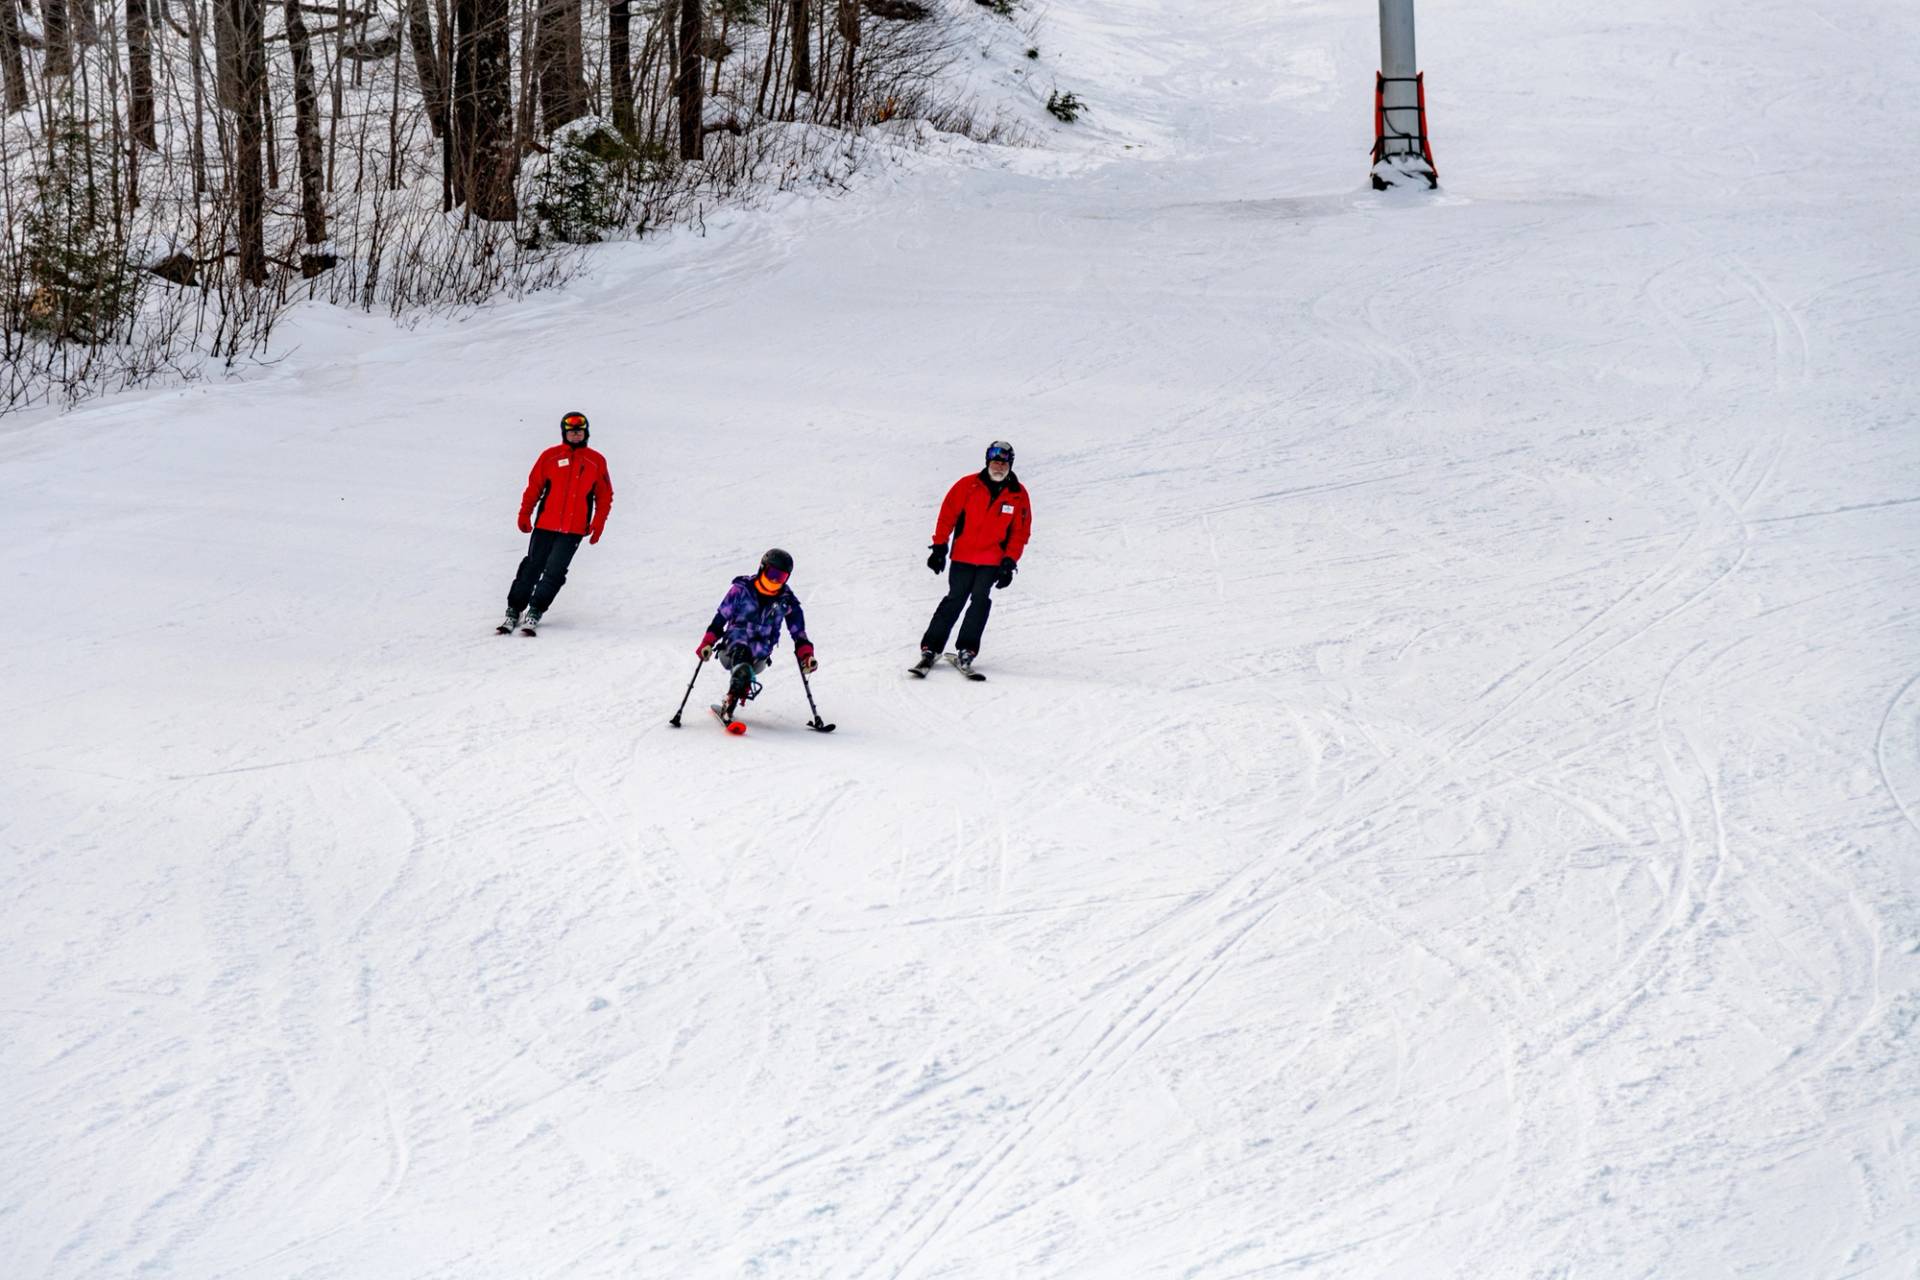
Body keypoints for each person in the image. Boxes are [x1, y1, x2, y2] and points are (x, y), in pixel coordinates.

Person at [914, 440, 1032, 675]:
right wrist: (939, 547)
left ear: (1010, 465)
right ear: (988, 461)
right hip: (963, 557)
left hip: (991, 561)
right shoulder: (968, 485)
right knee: (955, 599)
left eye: (1003, 463)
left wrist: (1009, 562)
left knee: (980, 601)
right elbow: (947, 515)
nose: (999, 466)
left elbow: (1020, 532)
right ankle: (931, 648)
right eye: (995, 461)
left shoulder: (1018, 495)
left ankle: (967, 650)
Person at [498, 411, 613, 635]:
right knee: (532, 566)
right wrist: (525, 514)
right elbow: (534, 488)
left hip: (574, 530)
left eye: (579, 432)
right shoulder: (550, 456)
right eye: (571, 432)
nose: (576, 436)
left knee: (555, 571)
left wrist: (598, 523)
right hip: (545, 525)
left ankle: (536, 610)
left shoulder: (596, 461)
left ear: (585, 433)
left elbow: (605, 495)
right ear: (565, 434)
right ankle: (514, 609)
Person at [697, 548, 817, 721]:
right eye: (772, 573)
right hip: (730, 651)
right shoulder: (741, 590)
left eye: (781, 577)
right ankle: (731, 700)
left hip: (758, 657)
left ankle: (738, 689)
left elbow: (799, 633)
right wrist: (707, 643)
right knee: (741, 649)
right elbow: (720, 619)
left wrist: (807, 656)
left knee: (748, 655)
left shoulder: (786, 601)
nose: (774, 581)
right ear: (762, 568)